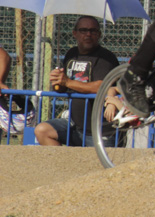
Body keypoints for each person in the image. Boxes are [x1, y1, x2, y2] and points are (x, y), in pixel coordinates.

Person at [34, 17, 120, 147]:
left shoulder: (106, 58)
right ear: (75, 33)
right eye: (83, 30)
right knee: (42, 131)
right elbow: (65, 86)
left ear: (99, 35)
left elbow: (102, 86)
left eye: (93, 31)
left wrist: (67, 82)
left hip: (101, 129)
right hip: (75, 126)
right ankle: (61, 166)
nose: (88, 34)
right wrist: (58, 82)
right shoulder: (71, 54)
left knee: (101, 167)